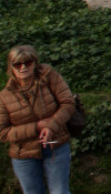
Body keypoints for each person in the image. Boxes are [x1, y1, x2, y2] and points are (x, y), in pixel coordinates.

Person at [0, 45, 75, 194]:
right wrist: (37, 127)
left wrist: (51, 126)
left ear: (35, 63)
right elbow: (2, 132)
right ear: (11, 67)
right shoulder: (4, 97)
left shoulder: (49, 77)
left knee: (60, 191)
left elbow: (68, 103)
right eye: (17, 64)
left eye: (28, 62)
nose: (23, 67)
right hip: (24, 155)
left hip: (56, 145)